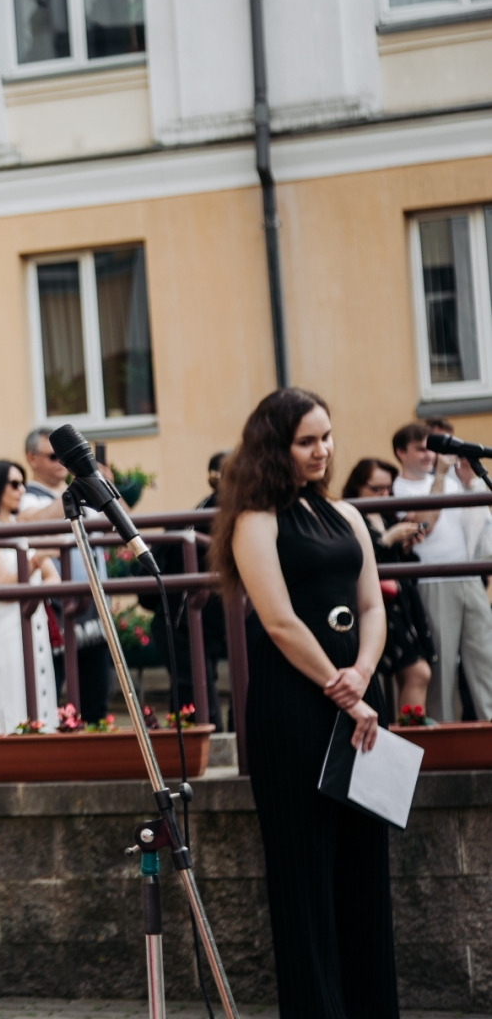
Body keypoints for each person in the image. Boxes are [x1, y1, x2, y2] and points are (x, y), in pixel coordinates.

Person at [212, 388, 397, 1018]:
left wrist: (363, 675)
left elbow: (372, 605)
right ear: (275, 447)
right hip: (295, 707)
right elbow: (281, 621)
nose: (323, 451)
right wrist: (341, 688)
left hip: (361, 706)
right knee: (303, 875)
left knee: (363, 871)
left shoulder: (346, 516)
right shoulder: (253, 521)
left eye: (327, 436)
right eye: (306, 441)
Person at [392, 422, 492, 720]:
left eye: (431, 449)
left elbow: (478, 527)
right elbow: (426, 523)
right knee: (443, 667)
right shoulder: (398, 488)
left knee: (485, 658)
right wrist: (439, 478)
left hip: (469, 577)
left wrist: (470, 482)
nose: (430, 456)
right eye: (421, 450)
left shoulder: (452, 481)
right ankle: (444, 734)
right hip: (433, 582)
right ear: (401, 452)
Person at [16, 427, 112, 722]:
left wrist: (103, 485)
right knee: (53, 689)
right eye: (54, 456)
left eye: (66, 457)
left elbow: (114, 521)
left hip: (93, 607)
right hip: (57, 610)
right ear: (31, 459)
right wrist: (80, 484)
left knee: (97, 688)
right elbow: (31, 521)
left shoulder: (75, 489)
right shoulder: (26, 496)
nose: (62, 463)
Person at [0, 460, 58, 733]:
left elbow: (53, 576)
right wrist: (37, 558)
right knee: (11, 691)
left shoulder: (21, 528)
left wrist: (38, 565)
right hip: (5, 623)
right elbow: (2, 583)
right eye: (14, 483)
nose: (22, 489)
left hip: (35, 618)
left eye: (23, 483)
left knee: (40, 688)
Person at [344, 458, 434, 716]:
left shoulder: (387, 513)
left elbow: (397, 561)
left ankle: (408, 740)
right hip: (372, 605)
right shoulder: (350, 516)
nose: (384, 494)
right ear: (357, 488)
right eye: (376, 489)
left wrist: (405, 545)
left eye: (388, 489)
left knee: (416, 673)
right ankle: (406, 739)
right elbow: (356, 560)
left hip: (399, 605)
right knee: (413, 674)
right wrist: (387, 540)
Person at [147, 451, 228, 726]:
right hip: (180, 618)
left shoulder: (206, 508)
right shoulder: (214, 510)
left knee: (196, 684)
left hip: (195, 617)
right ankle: (199, 748)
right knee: (195, 688)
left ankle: (196, 741)